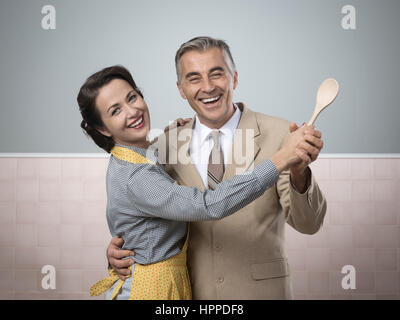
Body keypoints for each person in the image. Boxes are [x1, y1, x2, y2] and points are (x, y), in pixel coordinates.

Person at [107, 37, 327, 299]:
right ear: (181, 89)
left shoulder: (282, 135)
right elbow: (146, 216)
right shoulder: (163, 146)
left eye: (216, 74)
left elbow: (309, 224)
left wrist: (300, 173)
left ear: (234, 78)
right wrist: (119, 253)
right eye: (194, 78)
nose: (208, 87)